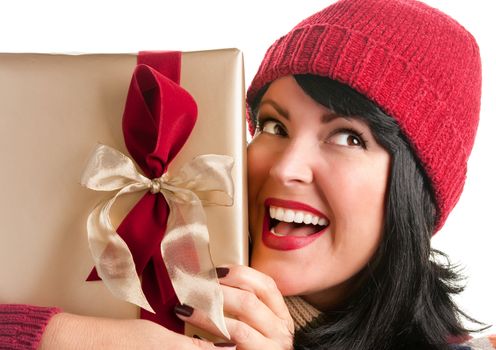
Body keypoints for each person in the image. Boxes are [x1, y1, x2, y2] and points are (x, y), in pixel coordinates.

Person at [1, 0, 494, 349]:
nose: (283, 166)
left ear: (416, 194)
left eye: (348, 137)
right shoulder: (153, 298)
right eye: (274, 124)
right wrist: (63, 337)